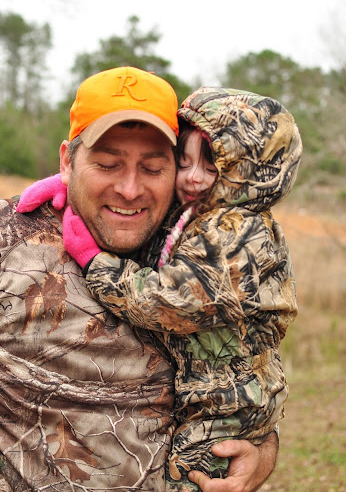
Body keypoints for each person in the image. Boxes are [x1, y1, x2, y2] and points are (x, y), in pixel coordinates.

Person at [0, 67, 278, 492]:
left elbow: (249, 377)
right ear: (67, 162)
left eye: (153, 168)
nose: (130, 190)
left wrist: (262, 451)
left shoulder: (204, 252)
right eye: (108, 164)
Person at [50, 86, 302, 491]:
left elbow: (174, 301)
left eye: (213, 166)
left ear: (245, 173)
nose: (193, 177)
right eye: (183, 162)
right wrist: (68, 184)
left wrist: (96, 263)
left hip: (223, 405)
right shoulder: (192, 215)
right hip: (204, 396)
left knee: (191, 478)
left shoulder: (238, 231)